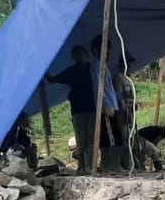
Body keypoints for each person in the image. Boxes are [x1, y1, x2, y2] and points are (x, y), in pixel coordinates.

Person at [45, 46, 94, 174]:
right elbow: (52, 80)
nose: (79, 58)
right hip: (78, 110)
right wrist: (42, 68)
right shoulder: (71, 72)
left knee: (91, 140)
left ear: (85, 55)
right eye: (76, 55)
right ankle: (82, 167)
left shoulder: (92, 69)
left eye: (81, 54)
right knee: (81, 139)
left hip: (92, 109)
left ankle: (89, 167)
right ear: (73, 58)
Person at [90, 35, 124, 172]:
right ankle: (112, 165)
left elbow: (109, 89)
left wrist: (120, 97)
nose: (108, 53)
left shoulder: (105, 66)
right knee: (112, 137)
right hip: (106, 107)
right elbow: (99, 87)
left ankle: (109, 165)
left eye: (108, 50)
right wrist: (104, 105)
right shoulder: (96, 65)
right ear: (95, 50)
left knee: (112, 135)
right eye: (105, 49)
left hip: (112, 104)